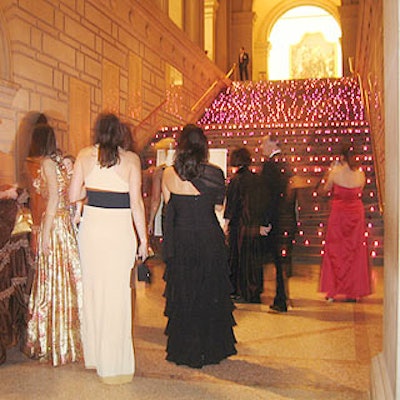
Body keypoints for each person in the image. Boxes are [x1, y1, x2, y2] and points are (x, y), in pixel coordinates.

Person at [69, 112, 148, 384]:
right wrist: (144, 240)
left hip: (92, 230)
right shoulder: (131, 160)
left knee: (93, 291)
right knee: (117, 295)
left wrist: (91, 193)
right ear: (120, 134)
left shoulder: (83, 156)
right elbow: (136, 203)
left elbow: (72, 195)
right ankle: (115, 363)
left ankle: (95, 356)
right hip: (119, 230)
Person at [162, 124, 237, 368]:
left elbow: (168, 208)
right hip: (208, 238)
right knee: (209, 292)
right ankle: (211, 347)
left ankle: (186, 348)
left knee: (185, 293)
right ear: (204, 147)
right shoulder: (214, 173)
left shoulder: (168, 174)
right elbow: (218, 207)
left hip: (182, 240)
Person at [24, 123, 82, 366]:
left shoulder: (48, 163)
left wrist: (45, 232)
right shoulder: (58, 162)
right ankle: (65, 340)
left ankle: (53, 341)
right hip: (64, 224)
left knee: (51, 279)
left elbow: (54, 199)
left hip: (56, 226)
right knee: (64, 281)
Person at [319, 145, 371, 302]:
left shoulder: (336, 173)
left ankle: (332, 291)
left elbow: (325, 190)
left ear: (341, 157)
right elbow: (360, 189)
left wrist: (329, 172)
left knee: (335, 250)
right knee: (355, 251)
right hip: (356, 213)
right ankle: (353, 292)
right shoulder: (361, 174)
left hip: (339, 214)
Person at [224, 147, 265, 303]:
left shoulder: (235, 180)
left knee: (237, 258)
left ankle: (238, 289)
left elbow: (232, 205)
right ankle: (253, 289)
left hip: (239, 224)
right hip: (253, 223)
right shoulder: (256, 178)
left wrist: (226, 224)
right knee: (252, 258)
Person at [259, 135, 290, 313]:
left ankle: (280, 299)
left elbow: (268, 198)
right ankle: (281, 297)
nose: (261, 146)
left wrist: (265, 222)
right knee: (280, 261)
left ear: (272, 144)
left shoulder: (270, 166)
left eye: (264, 143)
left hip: (274, 220)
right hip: (285, 218)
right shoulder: (284, 163)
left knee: (276, 261)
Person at [147, 138, 175, 238]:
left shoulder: (161, 171)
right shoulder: (187, 167)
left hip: (168, 212)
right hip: (187, 213)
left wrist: (151, 221)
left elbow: (155, 199)